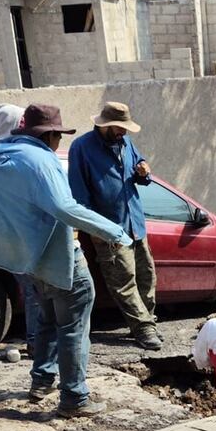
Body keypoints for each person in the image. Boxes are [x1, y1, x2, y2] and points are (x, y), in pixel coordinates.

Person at [0, 103, 134, 418]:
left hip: (27, 259)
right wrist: (115, 232)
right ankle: (75, 398)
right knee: (73, 324)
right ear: (51, 134)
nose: (59, 142)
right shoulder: (41, 160)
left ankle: (42, 381)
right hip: (59, 258)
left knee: (48, 319)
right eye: (58, 136)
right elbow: (64, 208)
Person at [68, 102, 162, 351]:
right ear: (105, 125)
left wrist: (144, 172)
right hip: (110, 228)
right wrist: (96, 229)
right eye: (120, 127)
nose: (124, 132)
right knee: (123, 280)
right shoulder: (82, 148)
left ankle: (149, 321)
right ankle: (143, 329)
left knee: (147, 276)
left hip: (135, 224)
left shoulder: (125, 142)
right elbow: (79, 194)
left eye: (126, 127)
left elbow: (139, 169)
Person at [0, 104, 40, 354]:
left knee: (33, 288)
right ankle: (38, 343)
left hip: (2, 231)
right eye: (21, 122)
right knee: (34, 289)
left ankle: (38, 340)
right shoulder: (7, 155)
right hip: (15, 232)